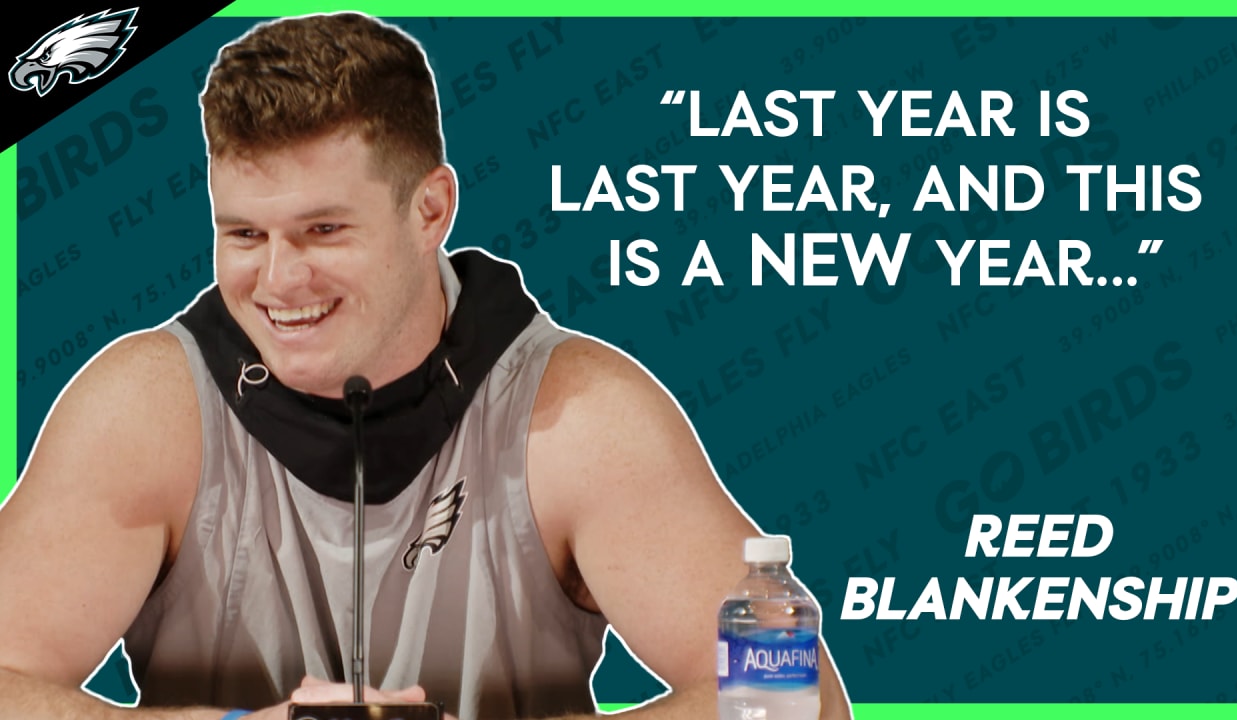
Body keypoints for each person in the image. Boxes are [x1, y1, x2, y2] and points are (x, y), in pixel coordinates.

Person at [0, 12, 851, 720]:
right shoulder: (143, 411)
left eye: (325, 230)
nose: (280, 281)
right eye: (245, 235)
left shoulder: (581, 416)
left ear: (431, 209)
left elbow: (795, 698)